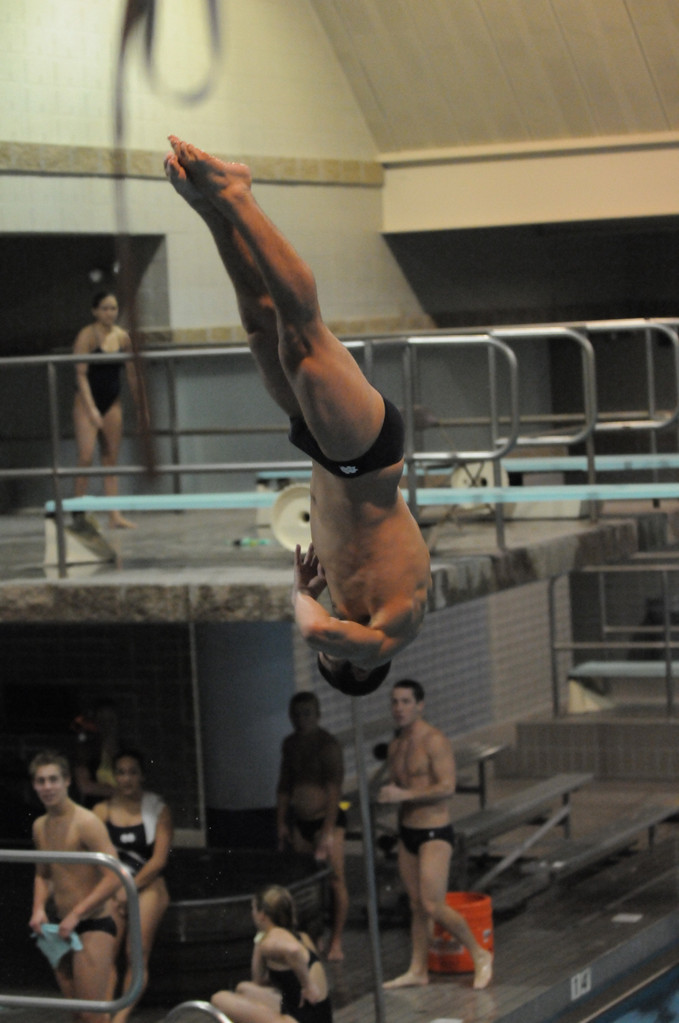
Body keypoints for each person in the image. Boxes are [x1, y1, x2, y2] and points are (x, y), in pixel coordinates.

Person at [164, 136, 432, 697]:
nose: (332, 630)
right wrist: (300, 595)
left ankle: (210, 210)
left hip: (326, 451)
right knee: (302, 339)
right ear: (358, 666)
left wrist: (312, 588)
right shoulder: (391, 632)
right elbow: (313, 631)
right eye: (339, 656)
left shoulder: (345, 596)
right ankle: (236, 194)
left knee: (263, 328)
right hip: (366, 455)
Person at [377, 680, 493, 990]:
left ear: (420, 705)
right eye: (394, 702)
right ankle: (419, 969)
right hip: (407, 832)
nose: (399, 708)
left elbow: (446, 787)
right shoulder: (396, 746)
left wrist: (402, 796)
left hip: (434, 831)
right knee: (416, 905)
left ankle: (480, 954)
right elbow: (400, 790)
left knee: (432, 905)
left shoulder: (435, 740)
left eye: (405, 701)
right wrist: (392, 798)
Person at [28, 750, 122, 1023]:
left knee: (92, 1015)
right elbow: (42, 873)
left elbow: (114, 875)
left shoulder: (86, 822)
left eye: (53, 780)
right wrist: (38, 909)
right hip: (60, 924)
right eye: (41, 781)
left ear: (67, 781)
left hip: (92, 922)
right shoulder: (40, 826)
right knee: (76, 1014)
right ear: (34, 785)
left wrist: (78, 913)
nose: (47, 787)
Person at [93, 749, 172, 1023]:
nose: (127, 779)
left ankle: (120, 1019)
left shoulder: (158, 810)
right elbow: (95, 859)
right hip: (114, 887)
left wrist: (130, 889)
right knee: (106, 953)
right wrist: (114, 889)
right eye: (121, 772)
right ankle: (104, 1016)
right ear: (114, 777)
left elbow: (158, 861)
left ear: (142, 776)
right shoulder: (101, 812)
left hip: (146, 885)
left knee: (134, 953)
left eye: (132, 772)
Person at [276, 692, 348, 961]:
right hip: (300, 821)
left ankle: (337, 940)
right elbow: (284, 786)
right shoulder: (290, 744)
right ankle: (314, 936)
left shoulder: (327, 745)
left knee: (335, 879)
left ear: (317, 715)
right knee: (307, 883)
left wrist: (328, 831)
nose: (301, 719)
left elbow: (334, 791)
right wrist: (281, 822)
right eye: (296, 714)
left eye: (307, 713)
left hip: (326, 819)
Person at [72, 290, 143, 530]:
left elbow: (132, 374)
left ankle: (115, 515)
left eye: (113, 308)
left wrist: (140, 406)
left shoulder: (123, 337)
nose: (109, 313)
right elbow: (80, 374)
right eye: (104, 308)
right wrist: (91, 409)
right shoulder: (87, 335)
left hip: (112, 401)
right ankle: (77, 513)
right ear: (95, 311)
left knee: (110, 459)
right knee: (85, 456)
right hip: (86, 401)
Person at [211, 884, 332, 1023]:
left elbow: (293, 950)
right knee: (243, 989)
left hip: (301, 1018)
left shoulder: (271, 941)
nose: (252, 913)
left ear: (262, 915)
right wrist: (259, 939)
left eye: (253, 908)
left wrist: (308, 986)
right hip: (316, 1014)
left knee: (218, 999)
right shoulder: (300, 936)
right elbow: (258, 981)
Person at [72, 700, 120, 809]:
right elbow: (84, 786)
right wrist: (120, 792)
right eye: (102, 720)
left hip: (124, 810)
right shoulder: (86, 750)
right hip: (96, 809)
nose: (107, 724)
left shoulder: (124, 750)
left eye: (110, 719)